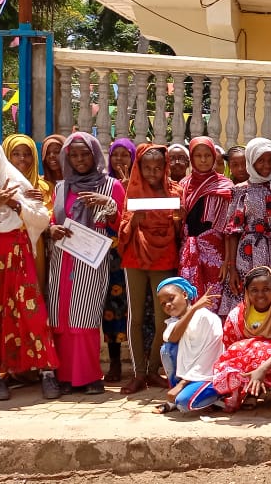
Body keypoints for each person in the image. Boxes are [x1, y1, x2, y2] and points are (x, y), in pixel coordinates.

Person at [0, 138, 60, 401]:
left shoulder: (17, 184)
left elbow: (41, 218)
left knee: (32, 313)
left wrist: (16, 203)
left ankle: (47, 372)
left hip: (19, 255)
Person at [46, 132, 126, 395]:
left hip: (91, 261)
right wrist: (52, 229)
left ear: (95, 156)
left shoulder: (111, 185)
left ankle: (90, 377)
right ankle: (66, 377)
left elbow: (123, 224)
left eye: (85, 154)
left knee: (85, 316)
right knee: (61, 317)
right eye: (74, 155)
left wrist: (110, 205)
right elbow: (54, 219)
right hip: (62, 257)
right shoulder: (61, 187)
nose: (80, 160)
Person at [119, 144, 185, 394]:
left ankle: (154, 368)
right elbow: (122, 229)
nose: (153, 172)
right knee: (135, 317)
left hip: (164, 257)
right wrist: (132, 223)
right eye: (147, 167)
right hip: (135, 257)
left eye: (158, 167)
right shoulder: (132, 191)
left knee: (163, 319)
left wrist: (179, 218)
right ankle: (138, 373)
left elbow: (181, 232)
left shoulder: (175, 191)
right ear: (140, 167)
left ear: (165, 167)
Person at [221, 138, 271, 316]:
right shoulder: (240, 190)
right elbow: (233, 232)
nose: (267, 165)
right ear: (251, 160)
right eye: (261, 160)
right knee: (248, 300)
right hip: (247, 255)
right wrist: (232, 267)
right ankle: (250, 341)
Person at [213, 266, 271, 412]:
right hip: (252, 358)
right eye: (254, 290)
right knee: (239, 353)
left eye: (266, 289)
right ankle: (252, 391)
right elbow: (231, 344)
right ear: (247, 292)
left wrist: (262, 368)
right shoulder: (239, 313)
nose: (260, 295)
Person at [178, 136, 233, 314]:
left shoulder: (225, 185)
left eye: (207, 155)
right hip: (188, 252)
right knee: (189, 301)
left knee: (213, 302)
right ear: (191, 158)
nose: (203, 160)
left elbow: (228, 227)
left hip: (216, 255)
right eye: (198, 155)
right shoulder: (183, 186)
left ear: (214, 157)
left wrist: (227, 261)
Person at [153, 277, 223, 414]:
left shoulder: (207, 318)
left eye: (171, 298)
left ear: (185, 295)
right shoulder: (174, 322)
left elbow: (209, 358)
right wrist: (193, 309)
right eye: (163, 304)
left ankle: (219, 396)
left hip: (207, 374)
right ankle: (177, 397)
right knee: (167, 350)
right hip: (190, 377)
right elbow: (172, 337)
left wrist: (182, 384)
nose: (167, 305)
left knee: (184, 404)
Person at [102, 139, 137, 383]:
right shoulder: (103, 183)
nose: (120, 160)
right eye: (116, 155)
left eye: (125, 155)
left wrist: (128, 190)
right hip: (108, 253)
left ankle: (139, 364)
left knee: (133, 307)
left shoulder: (141, 183)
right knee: (110, 308)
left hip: (132, 251)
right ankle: (114, 362)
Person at [2, 134, 54, 293]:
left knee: (32, 295)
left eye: (27, 153)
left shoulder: (44, 187)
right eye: (16, 154)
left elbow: (50, 216)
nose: (22, 158)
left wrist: (36, 205)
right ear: (6, 156)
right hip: (6, 246)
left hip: (35, 248)